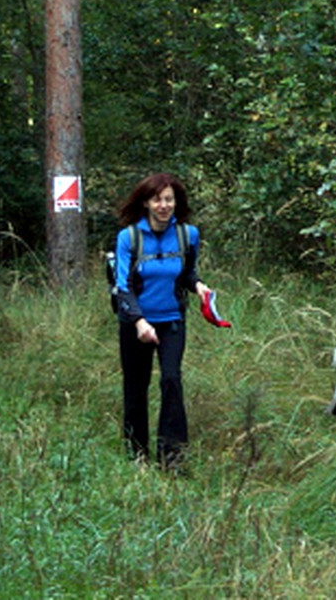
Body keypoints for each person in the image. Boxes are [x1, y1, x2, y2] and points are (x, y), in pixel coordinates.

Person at [113, 173, 213, 472]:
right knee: (136, 386)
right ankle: (137, 454)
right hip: (136, 324)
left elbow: (187, 273)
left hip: (172, 321)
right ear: (146, 201)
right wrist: (139, 321)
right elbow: (123, 286)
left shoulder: (188, 235)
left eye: (169, 199)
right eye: (157, 199)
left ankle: (173, 458)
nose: (163, 205)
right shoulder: (129, 237)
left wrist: (198, 287)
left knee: (171, 380)